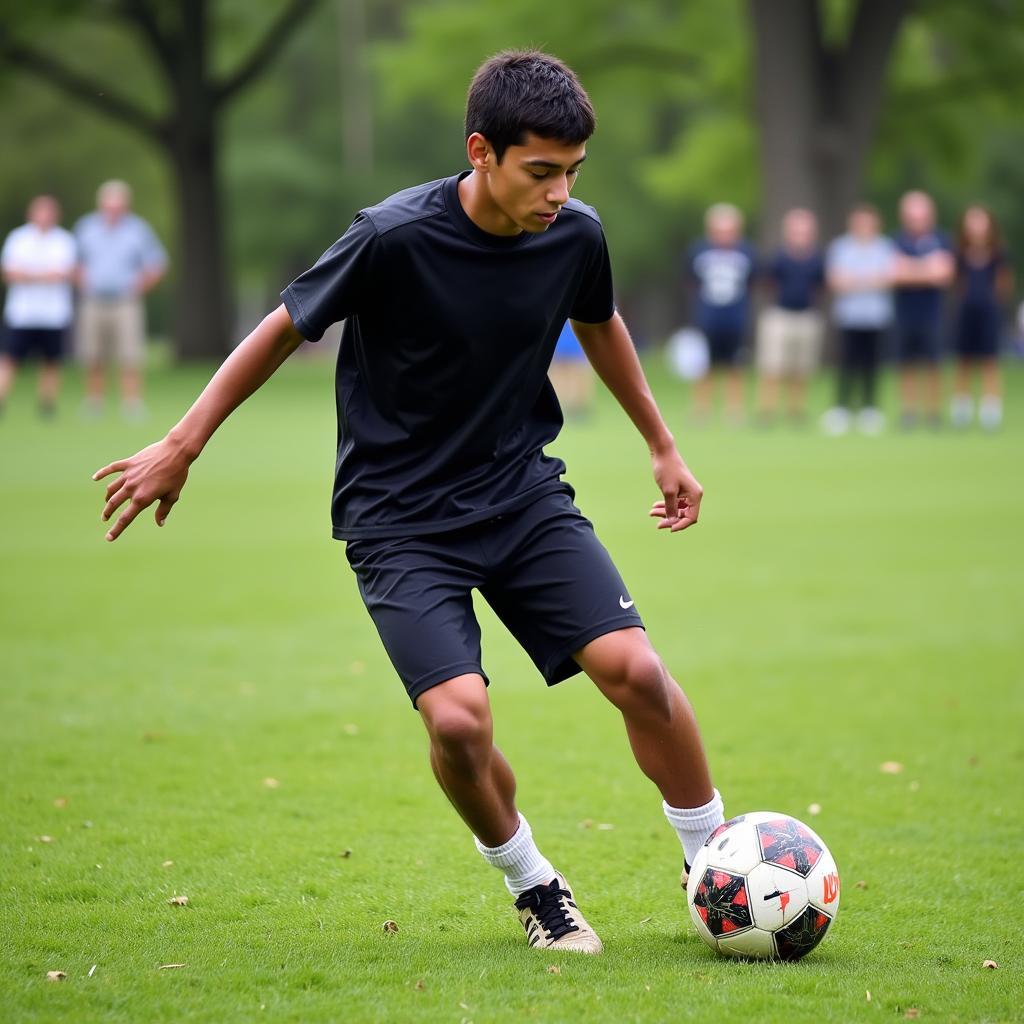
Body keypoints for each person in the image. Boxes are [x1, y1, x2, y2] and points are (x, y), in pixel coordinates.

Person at [92, 51, 724, 954]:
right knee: (461, 722)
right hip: (400, 519)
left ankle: (713, 860)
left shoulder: (576, 235)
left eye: (572, 172)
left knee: (638, 672)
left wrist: (662, 445)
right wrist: (183, 443)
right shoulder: (391, 236)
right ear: (482, 152)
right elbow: (283, 327)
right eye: (540, 171)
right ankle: (534, 884)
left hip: (519, 495)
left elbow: (600, 319)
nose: (558, 192)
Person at [75, 180, 167, 418]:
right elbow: (72, 261)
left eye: (119, 205)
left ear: (126, 206)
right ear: (101, 205)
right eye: (110, 205)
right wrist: (82, 280)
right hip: (93, 300)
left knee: (130, 353)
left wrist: (139, 285)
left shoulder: (137, 229)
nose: (114, 210)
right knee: (93, 353)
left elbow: (157, 263)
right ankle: (94, 402)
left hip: (126, 301)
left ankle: (132, 402)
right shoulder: (86, 228)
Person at [821, 203, 897, 436]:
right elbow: (836, 280)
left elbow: (890, 277)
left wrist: (856, 280)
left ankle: (869, 409)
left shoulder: (885, 247)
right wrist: (868, 279)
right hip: (849, 316)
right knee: (846, 363)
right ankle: (842, 408)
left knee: (872, 364)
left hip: (875, 316)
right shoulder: (841, 247)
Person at [0, 195, 77, 417]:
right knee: (10, 358)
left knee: (51, 361)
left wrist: (30, 274)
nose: (44, 217)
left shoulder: (64, 240)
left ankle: (47, 405)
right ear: (31, 214)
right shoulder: (18, 238)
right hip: (22, 313)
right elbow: (11, 273)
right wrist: (43, 275)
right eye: (40, 212)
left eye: (49, 212)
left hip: (54, 313)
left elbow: (64, 273)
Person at [890, 190, 954, 428]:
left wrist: (911, 268)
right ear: (904, 216)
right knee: (905, 364)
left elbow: (944, 274)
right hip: (905, 313)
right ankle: (908, 412)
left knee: (933, 364)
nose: (917, 219)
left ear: (930, 215)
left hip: (933, 313)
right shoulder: (897, 239)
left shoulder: (942, 238)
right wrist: (927, 268)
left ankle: (933, 412)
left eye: (921, 214)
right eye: (911, 214)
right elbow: (894, 273)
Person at [755, 208, 825, 424]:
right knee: (773, 366)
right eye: (796, 230)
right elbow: (768, 282)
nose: (801, 235)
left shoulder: (817, 259)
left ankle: (796, 412)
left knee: (800, 369)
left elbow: (821, 285)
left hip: (807, 316)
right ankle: (767, 411)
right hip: (780, 316)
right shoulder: (779, 257)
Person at [687, 203, 755, 423]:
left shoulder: (747, 252)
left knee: (735, 365)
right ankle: (701, 410)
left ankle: (734, 411)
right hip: (708, 317)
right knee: (703, 365)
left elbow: (753, 281)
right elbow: (690, 280)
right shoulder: (699, 251)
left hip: (735, 317)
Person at [950, 205, 1013, 431]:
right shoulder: (958, 253)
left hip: (989, 313)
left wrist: (993, 303)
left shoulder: (999, 254)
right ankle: (961, 411)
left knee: (990, 361)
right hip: (966, 313)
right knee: (963, 361)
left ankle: (990, 412)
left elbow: (1003, 284)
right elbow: (956, 283)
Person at [549, 320, 595, 418]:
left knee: (577, 376)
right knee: (561, 375)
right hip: (564, 341)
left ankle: (574, 407)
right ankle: (563, 407)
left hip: (572, 341)